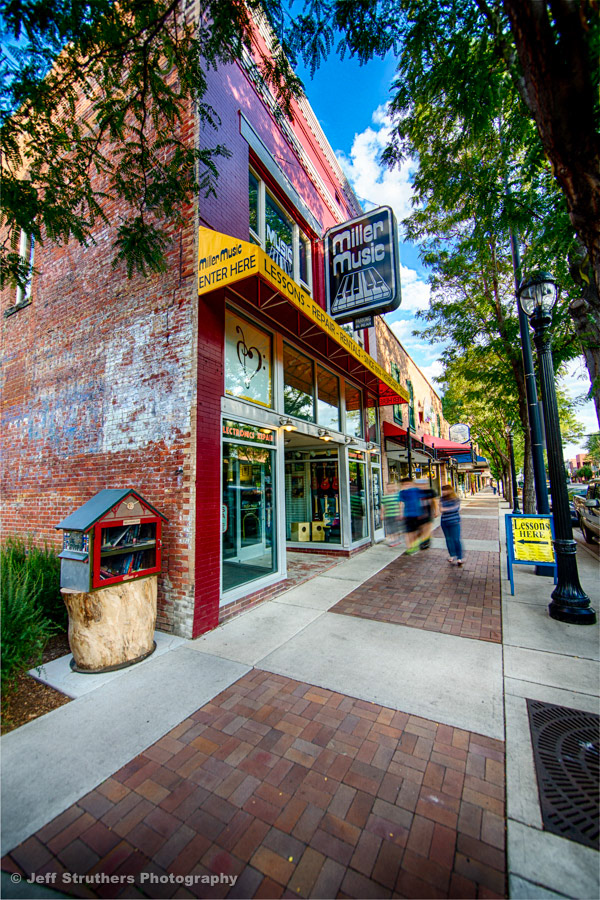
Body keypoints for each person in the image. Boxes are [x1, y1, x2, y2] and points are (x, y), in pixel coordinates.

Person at [399, 476, 424, 554]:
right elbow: (401, 503)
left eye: (408, 484)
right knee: (408, 532)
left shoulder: (416, 491)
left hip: (417, 514)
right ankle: (410, 547)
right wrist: (401, 513)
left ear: (411, 483)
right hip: (407, 515)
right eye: (404, 484)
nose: (406, 486)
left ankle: (415, 543)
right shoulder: (402, 492)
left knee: (417, 531)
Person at [440, 484, 463, 565]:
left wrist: (445, 509)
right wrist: (447, 509)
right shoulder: (442, 499)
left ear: (450, 490)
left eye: (445, 490)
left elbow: (455, 508)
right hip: (444, 522)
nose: (444, 492)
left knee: (456, 539)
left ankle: (459, 557)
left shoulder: (456, 499)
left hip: (454, 522)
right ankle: (452, 555)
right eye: (443, 490)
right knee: (448, 539)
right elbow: (441, 509)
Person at [416, 477, 438, 549]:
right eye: (419, 485)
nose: (421, 486)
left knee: (427, 528)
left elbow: (434, 502)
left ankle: (425, 542)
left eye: (423, 484)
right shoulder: (416, 493)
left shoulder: (430, 492)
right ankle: (425, 540)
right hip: (419, 514)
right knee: (421, 529)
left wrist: (436, 511)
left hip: (428, 513)